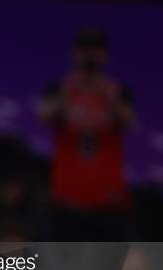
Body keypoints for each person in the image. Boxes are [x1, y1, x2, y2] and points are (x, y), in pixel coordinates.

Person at [38, 28, 134, 241]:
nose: (90, 55)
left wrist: (105, 92)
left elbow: (130, 122)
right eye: (85, 50)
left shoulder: (117, 91)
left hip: (108, 203)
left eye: (96, 50)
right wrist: (72, 89)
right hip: (66, 200)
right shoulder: (61, 87)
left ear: (104, 55)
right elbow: (44, 116)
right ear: (75, 53)